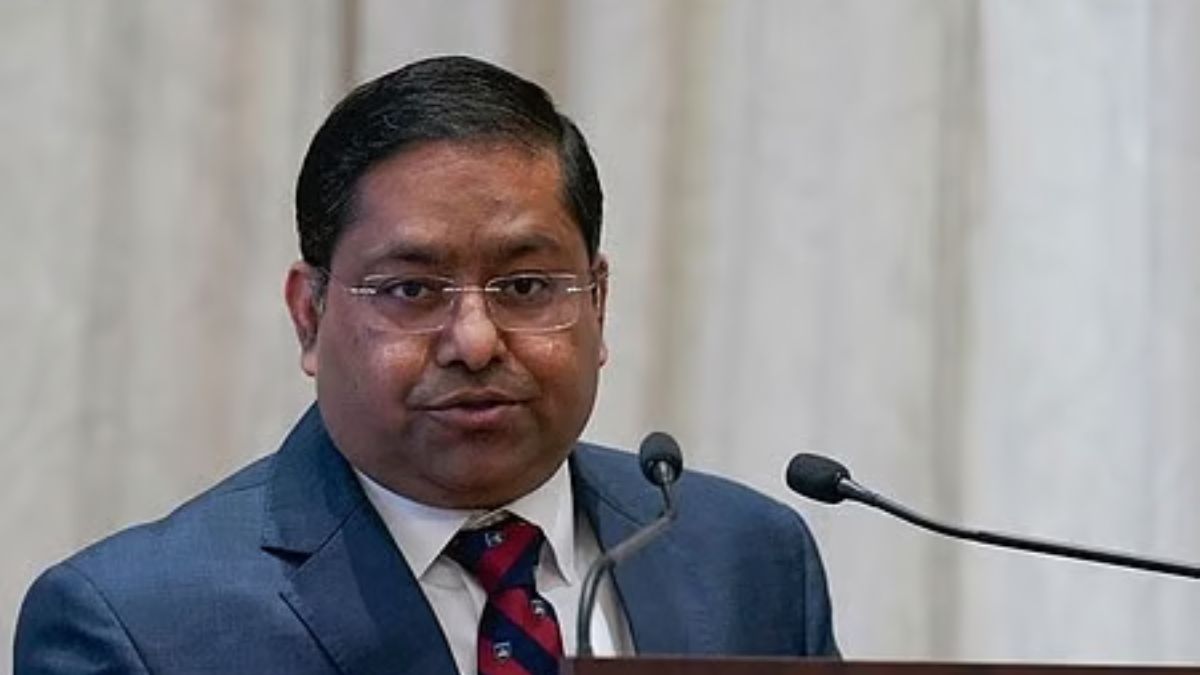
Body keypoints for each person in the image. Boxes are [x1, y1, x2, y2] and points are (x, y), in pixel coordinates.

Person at [14, 55, 839, 674]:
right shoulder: (138, 624)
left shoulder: (747, 558)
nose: (475, 341)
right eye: (411, 289)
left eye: (525, 285)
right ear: (310, 316)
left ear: (598, 302)